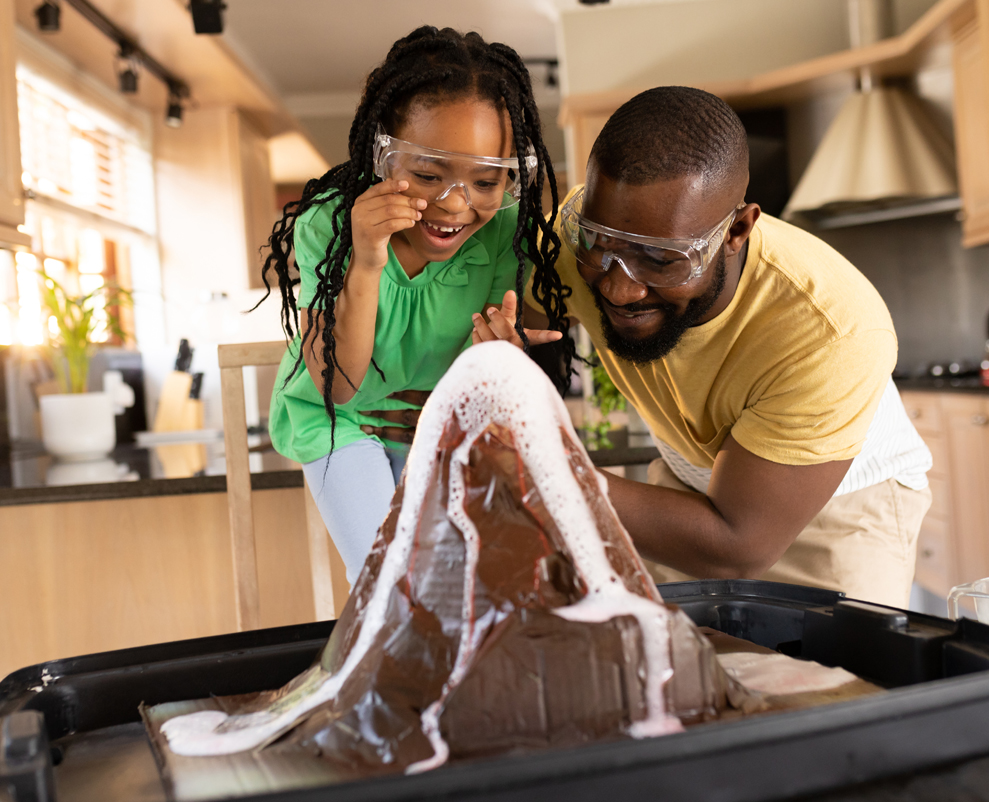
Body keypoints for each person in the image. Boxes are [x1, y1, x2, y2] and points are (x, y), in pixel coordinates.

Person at [478, 85, 932, 607]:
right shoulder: (577, 242)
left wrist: (548, 469)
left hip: (833, 510)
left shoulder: (830, 332)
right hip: (685, 477)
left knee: (831, 686)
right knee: (670, 674)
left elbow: (737, 546)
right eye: (600, 244)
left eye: (662, 259)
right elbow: (508, 327)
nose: (620, 287)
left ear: (736, 230)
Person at [259, 27, 573, 585]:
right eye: (427, 175)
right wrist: (366, 259)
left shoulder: (506, 236)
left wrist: (502, 359)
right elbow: (338, 388)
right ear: (383, 154)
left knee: (469, 578)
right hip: (340, 420)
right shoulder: (332, 225)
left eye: (486, 180)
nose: (454, 204)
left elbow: (518, 367)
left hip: (434, 421)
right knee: (392, 582)